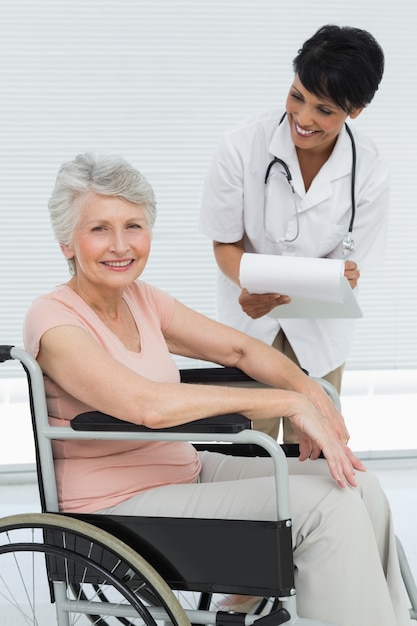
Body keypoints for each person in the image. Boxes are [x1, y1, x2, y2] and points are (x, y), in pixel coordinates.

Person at [23, 153, 411, 626]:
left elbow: (241, 351)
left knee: (355, 483)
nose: (120, 245)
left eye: (134, 226)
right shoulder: (53, 320)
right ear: (66, 242)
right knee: (327, 508)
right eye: (99, 229)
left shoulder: (143, 299)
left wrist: (308, 391)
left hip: (181, 471)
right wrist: (286, 402)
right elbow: (146, 405)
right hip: (114, 503)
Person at [199, 25, 390, 443]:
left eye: (324, 110)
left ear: (354, 110)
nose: (303, 119)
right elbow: (224, 243)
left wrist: (344, 276)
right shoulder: (240, 146)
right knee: (249, 451)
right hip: (246, 322)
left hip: (321, 333)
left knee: (316, 450)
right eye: (297, 95)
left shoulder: (370, 169)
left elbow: (353, 268)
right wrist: (248, 285)